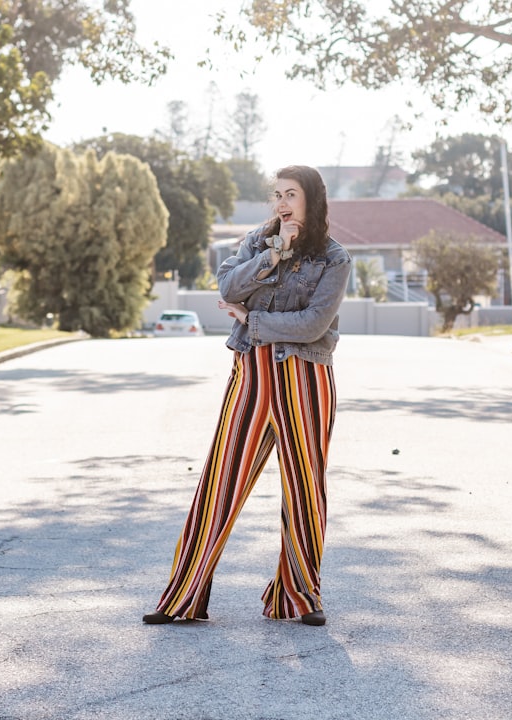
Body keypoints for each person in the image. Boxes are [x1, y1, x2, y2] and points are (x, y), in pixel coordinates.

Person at [143, 165, 352, 627]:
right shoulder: (257, 243)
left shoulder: (335, 259)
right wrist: (274, 254)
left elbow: (314, 324)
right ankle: (181, 598)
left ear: (311, 201)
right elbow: (229, 287)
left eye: (291, 194)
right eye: (276, 194)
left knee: (305, 489)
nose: (281, 203)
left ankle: (301, 596)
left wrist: (250, 322)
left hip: (307, 379)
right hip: (251, 375)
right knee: (220, 481)